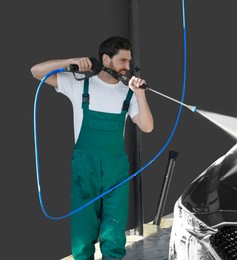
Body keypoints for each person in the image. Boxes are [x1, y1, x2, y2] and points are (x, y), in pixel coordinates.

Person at [30, 36, 154, 260]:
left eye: (129, 61)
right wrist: (70, 61)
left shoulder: (128, 93)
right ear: (106, 59)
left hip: (115, 169)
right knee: (82, 228)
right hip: (85, 170)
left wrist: (141, 95)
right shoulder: (79, 84)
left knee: (114, 229)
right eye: (122, 60)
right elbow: (36, 71)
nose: (128, 66)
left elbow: (147, 126)